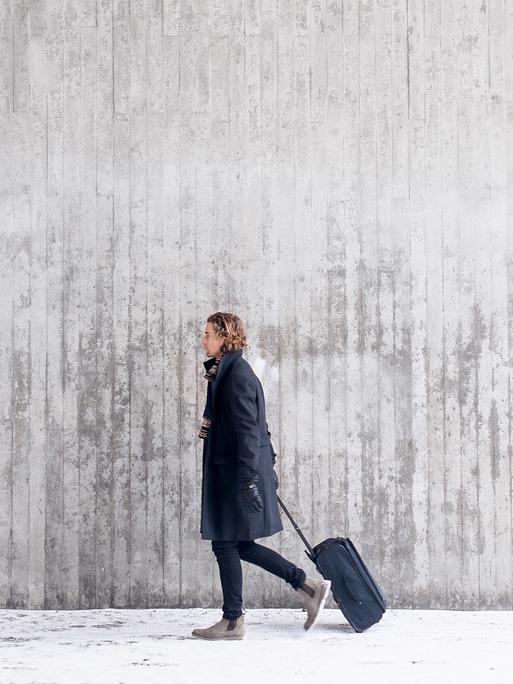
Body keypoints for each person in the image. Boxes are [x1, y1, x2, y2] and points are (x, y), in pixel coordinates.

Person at [192, 312, 331, 641]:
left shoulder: (235, 375)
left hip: (235, 473)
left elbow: (249, 431)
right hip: (236, 471)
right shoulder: (226, 371)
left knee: (226, 544)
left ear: (225, 338)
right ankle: (307, 586)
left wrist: (249, 479)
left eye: (209, 334)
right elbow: (258, 426)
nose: (203, 340)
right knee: (239, 544)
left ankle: (232, 620)